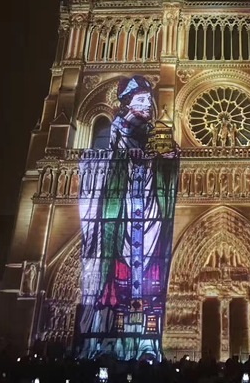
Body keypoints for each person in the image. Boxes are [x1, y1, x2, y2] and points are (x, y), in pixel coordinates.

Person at [78, 75, 179, 360]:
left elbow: (165, 154)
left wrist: (169, 157)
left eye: (149, 100)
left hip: (148, 205)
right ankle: (110, 339)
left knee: (151, 267)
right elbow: (108, 159)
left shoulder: (152, 131)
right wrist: (128, 157)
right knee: (116, 269)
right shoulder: (117, 129)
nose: (148, 104)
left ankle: (146, 341)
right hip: (121, 208)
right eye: (142, 99)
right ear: (127, 102)